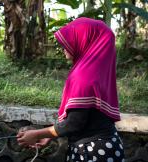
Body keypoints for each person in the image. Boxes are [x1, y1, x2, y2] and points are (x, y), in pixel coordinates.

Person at [17, 17, 125, 162]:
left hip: (93, 152)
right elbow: (86, 117)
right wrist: (47, 136)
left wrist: (37, 134)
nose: (63, 47)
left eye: (73, 38)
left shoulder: (84, 76)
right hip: (104, 147)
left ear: (85, 41)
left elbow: (74, 123)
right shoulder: (96, 74)